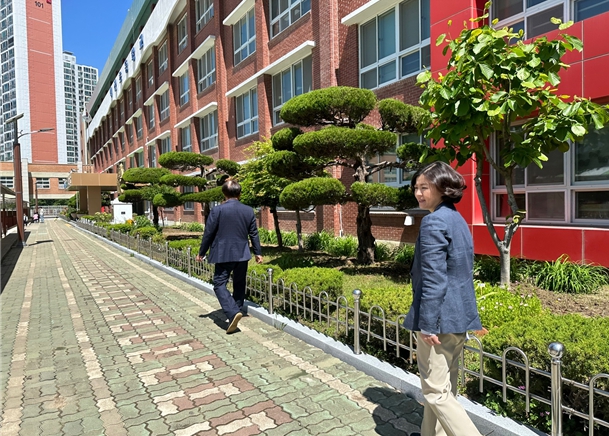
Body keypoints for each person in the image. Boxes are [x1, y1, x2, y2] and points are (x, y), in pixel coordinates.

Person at [403, 161, 483, 436]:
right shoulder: (456, 219)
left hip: (439, 322)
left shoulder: (434, 221)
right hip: (458, 317)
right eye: (416, 187)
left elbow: (434, 278)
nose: (418, 193)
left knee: (436, 392)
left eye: (425, 187)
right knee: (444, 386)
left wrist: (427, 324)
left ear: (442, 188)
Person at [196, 179, 263, 334]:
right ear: (239, 194)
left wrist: (202, 252)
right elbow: (254, 233)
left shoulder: (217, 210)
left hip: (223, 253)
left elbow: (208, 233)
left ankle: (233, 313)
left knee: (219, 284)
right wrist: (258, 252)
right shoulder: (248, 210)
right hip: (242, 253)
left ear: (224, 194)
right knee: (239, 282)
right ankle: (237, 309)